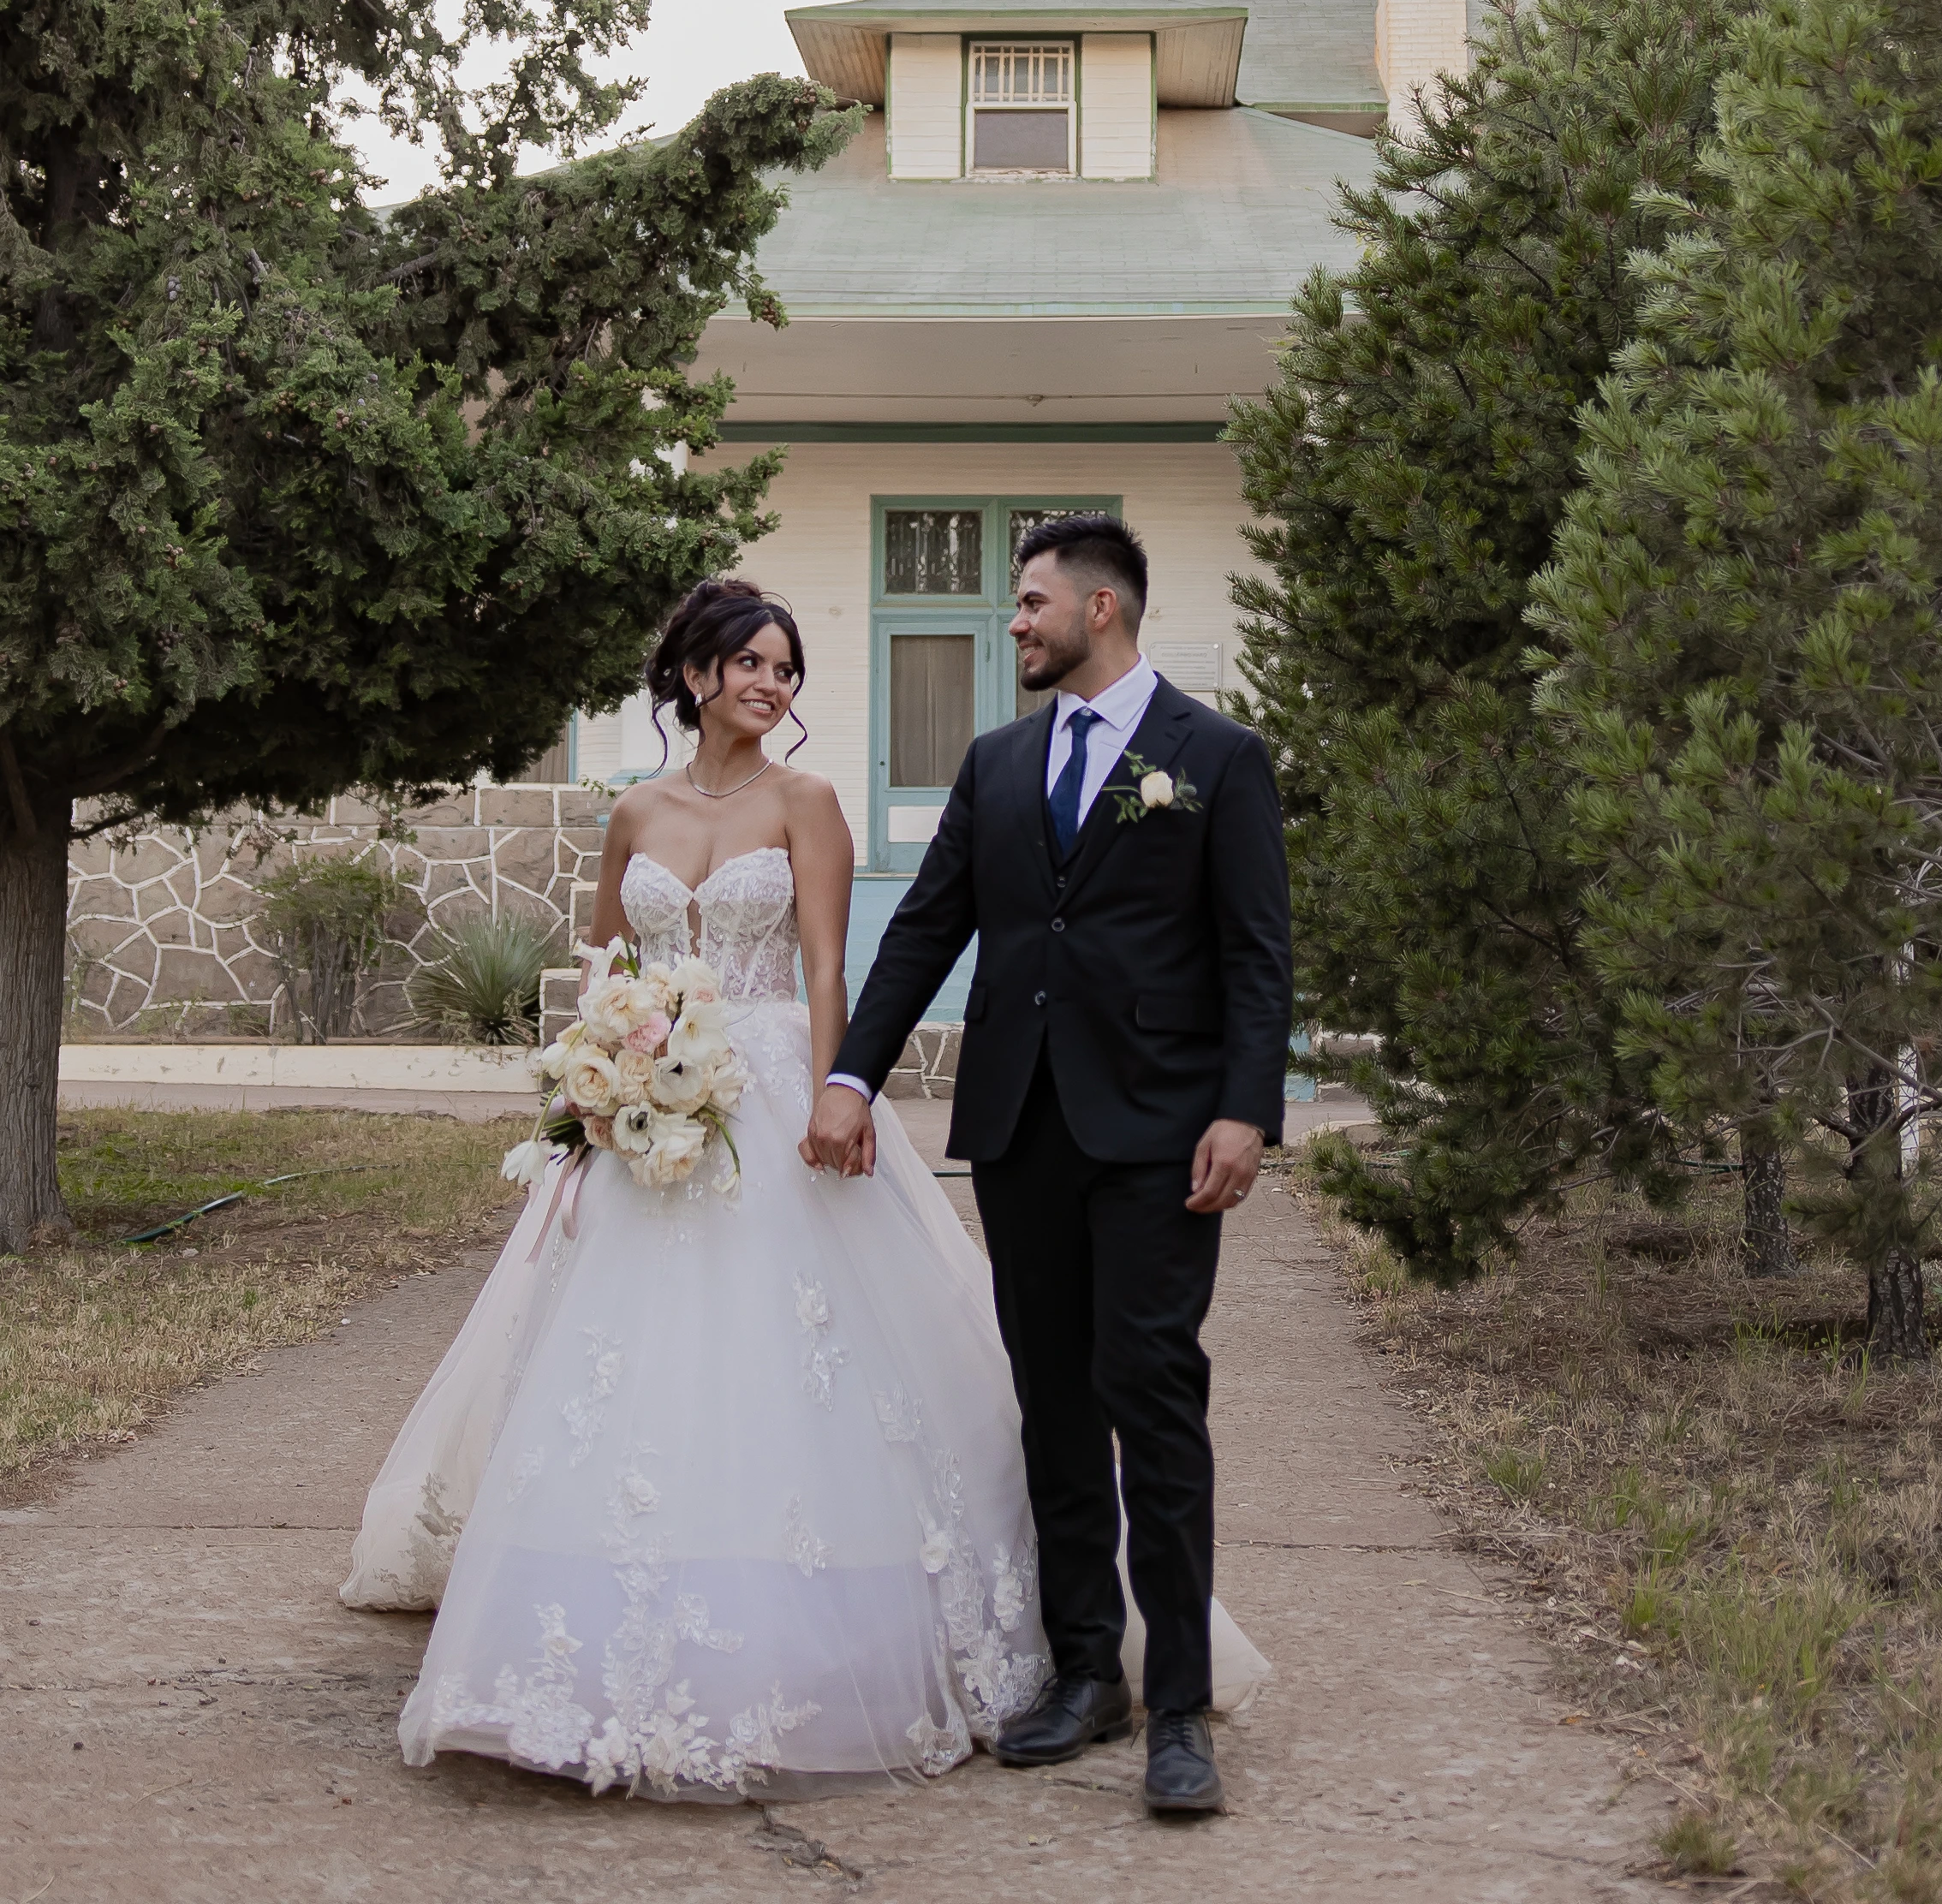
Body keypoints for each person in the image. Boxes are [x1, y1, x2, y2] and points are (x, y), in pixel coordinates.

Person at [342, 578, 1052, 1799]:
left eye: (787, 669)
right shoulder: (634, 812)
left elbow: (829, 960)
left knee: (791, 1353)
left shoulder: (808, 801)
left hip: (770, 1082)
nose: (772, 686)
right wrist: (598, 1073)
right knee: (623, 1360)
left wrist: (843, 1090)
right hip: (643, 1096)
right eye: (751, 665)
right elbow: (607, 960)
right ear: (695, 677)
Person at [807, 514, 1291, 1819]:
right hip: (1019, 1131)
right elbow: (924, 930)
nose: (1010, 623)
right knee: (1055, 1410)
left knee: (1154, 1400)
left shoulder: (1217, 759)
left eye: (1027, 603)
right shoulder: (999, 762)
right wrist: (852, 1076)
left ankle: (1177, 1708)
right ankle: (1088, 1675)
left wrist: (1248, 1111)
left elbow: (1256, 953)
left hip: (1159, 1137)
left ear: (1102, 611)